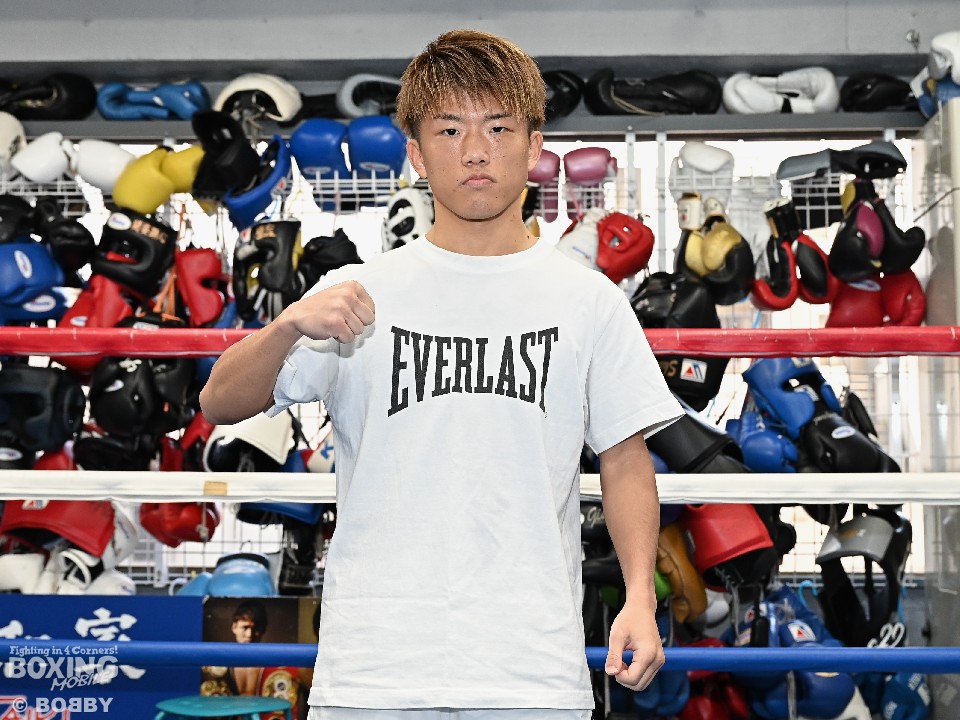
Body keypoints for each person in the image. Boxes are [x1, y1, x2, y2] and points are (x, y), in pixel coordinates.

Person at [200, 28, 683, 720]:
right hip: (374, 672)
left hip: (530, 672)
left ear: (535, 145)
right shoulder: (357, 293)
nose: (476, 150)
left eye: (498, 127)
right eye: (450, 129)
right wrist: (285, 327)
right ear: (417, 154)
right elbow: (220, 402)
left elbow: (625, 460)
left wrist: (639, 597)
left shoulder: (587, 300)